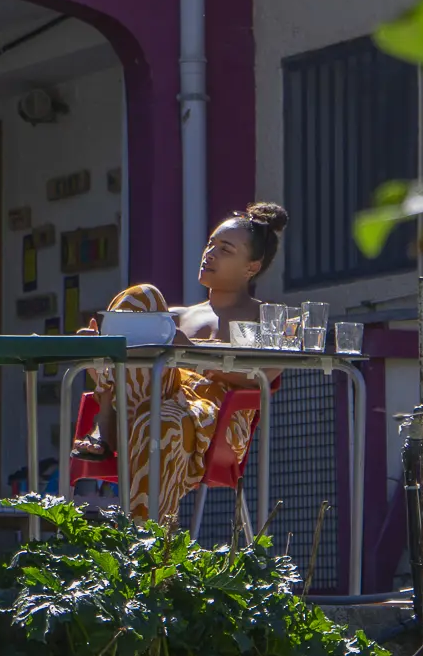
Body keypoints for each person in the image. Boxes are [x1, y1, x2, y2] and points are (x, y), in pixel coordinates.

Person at [70, 202, 289, 523]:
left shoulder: (265, 317)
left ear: (252, 267)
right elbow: (135, 376)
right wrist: (101, 358)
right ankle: (105, 426)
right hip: (144, 409)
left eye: (225, 249)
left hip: (215, 420)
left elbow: (260, 377)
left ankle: (147, 548)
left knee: (161, 419)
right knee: (142, 297)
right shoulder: (174, 315)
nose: (209, 254)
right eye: (210, 244)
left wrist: (190, 353)